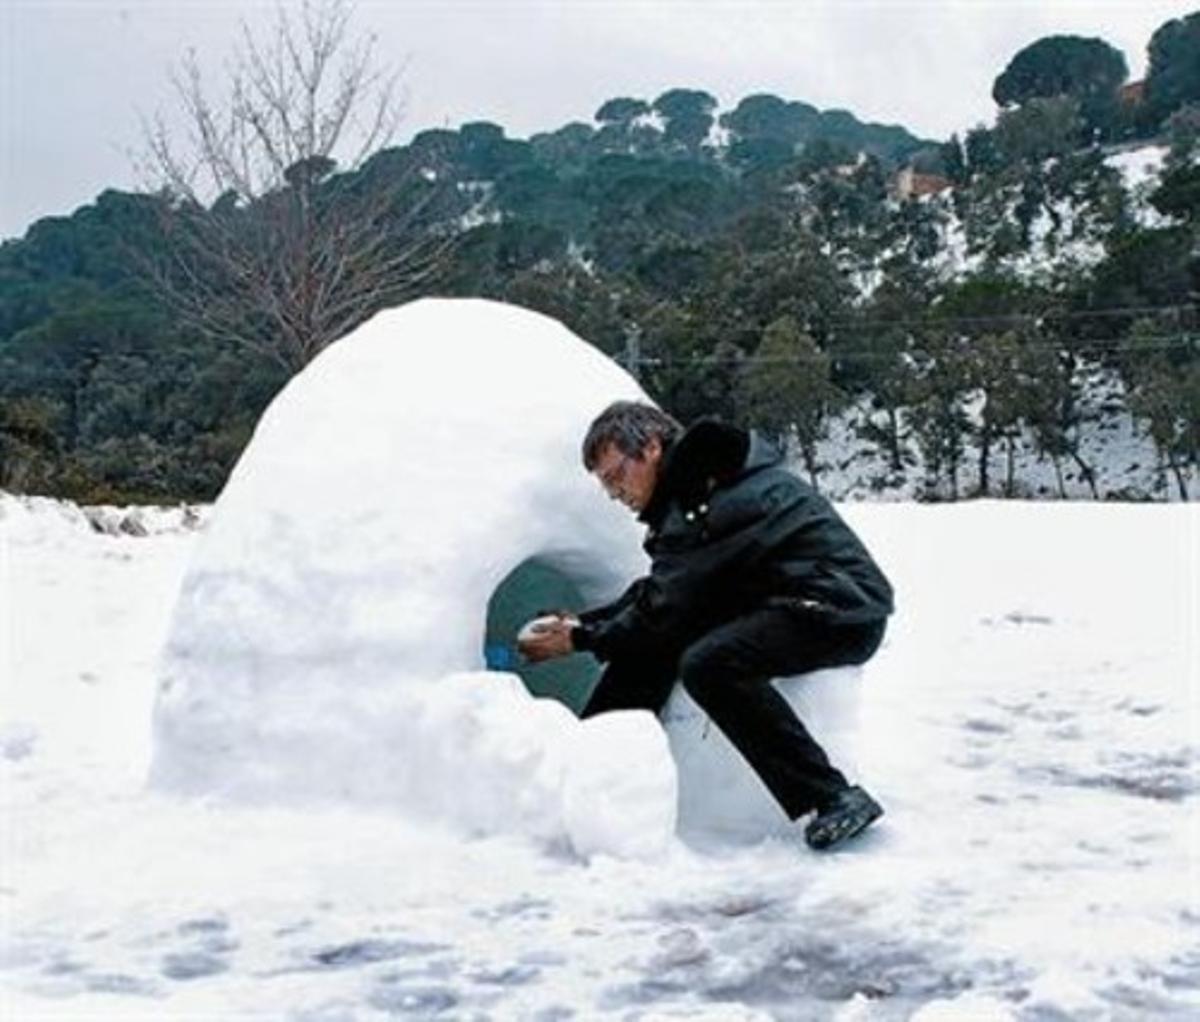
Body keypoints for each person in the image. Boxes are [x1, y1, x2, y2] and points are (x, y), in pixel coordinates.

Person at [519, 401, 893, 850]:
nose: (614, 493)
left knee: (710, 663)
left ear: (652, 448)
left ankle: (832, 797)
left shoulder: (706, 501)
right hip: (788, 597)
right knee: (662, 642)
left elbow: (664, 607)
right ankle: (590, 764)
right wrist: (586, 623)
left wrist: (580, 639)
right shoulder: (700, 486)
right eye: (605, 484)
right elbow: (666, 592)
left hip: (837, 607)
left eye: (616, 476)